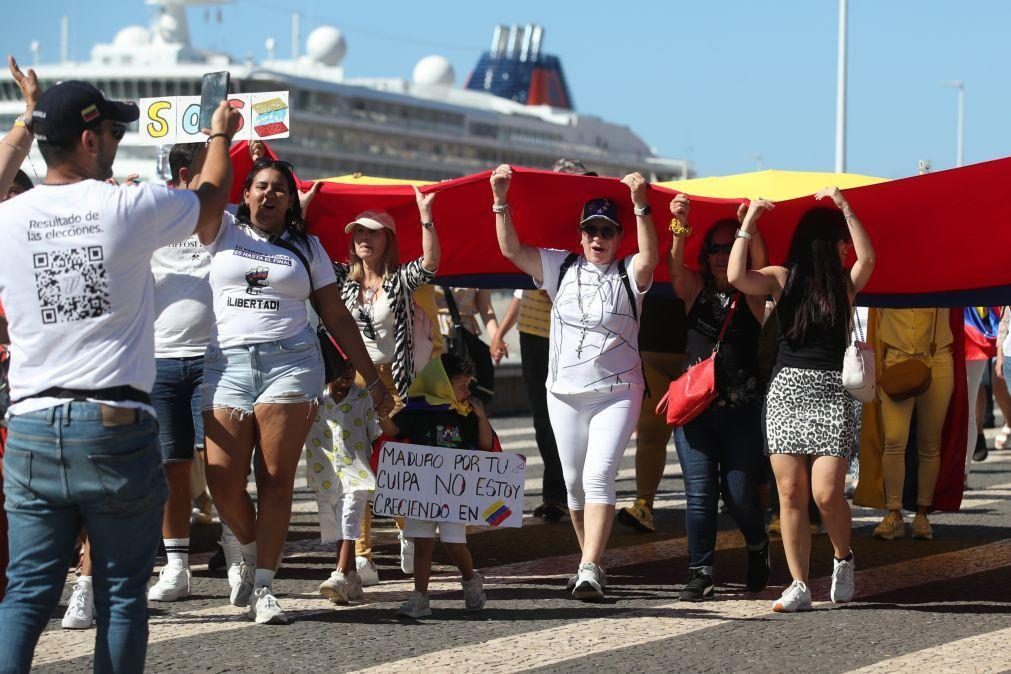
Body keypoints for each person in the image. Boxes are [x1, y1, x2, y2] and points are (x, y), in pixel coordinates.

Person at [0, 69, 240, 673]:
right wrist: (218, 135)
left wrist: (30, 119)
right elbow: (210, 207)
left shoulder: (9, 219)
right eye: (110, 129)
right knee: (120, 595)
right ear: (87, 141)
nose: (114, 139)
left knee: (26, 594)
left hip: (28, 424)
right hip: (111, 423)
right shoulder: (127, 206)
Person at [199, 157, 393, 626]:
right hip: (225, 363)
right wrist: (220, 140)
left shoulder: (309, 247)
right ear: (245, 194)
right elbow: (206, 187)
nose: (269, 195)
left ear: (292, 200)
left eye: (280, 190)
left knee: (274, 478)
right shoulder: (220, 229)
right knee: (221, 478)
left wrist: (372, 377)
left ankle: (265, 584)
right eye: (260, 187)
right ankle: (244, 546)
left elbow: (336, 315)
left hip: (291, 364)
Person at [491, 164, 659, 601]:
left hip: (618, 393)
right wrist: (501, 198)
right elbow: (510, 249)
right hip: (563, 392)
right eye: (591, 231)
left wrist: (642, 206)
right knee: (573, 483)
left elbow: (652, 257)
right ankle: (592, 561)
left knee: (600, 474)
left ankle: (587, 566)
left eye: (607, 230)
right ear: (580, 236)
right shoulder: (559, 265)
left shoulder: (630, 273)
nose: (598, 238)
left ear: (620, 236)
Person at [728, 188, 875, 613]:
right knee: (790, 492)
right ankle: (797, 583)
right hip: (787, 391)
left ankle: (843, 557)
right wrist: (747, 224)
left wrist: (847, 208)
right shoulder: (782, 277)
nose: (847, 247)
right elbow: (738, 276)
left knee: (827, 493)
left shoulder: (845, 286)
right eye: (840, 240)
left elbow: (869, 259)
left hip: (833, 393)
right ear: (825, 244)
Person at [333, 191, 440, 584]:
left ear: (388, 240)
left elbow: (429, 265)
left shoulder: (399, 280)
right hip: (355, 380)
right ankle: (362, 556)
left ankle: (406, 529)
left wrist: (425, 216)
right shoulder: (344, 281)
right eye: (358, 232)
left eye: (373, 233)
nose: (364, 238)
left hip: (397, 382)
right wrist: (305, 208)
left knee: (393, 464)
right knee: (356, 470)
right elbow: (304, 257)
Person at [668, 199, 771, 601]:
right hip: (695, 411)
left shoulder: (753, 293)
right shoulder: (694, 289)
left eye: (729, 248)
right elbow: (674, 268)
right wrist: (679, 225)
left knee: (741, 495)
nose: (721, 256)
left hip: (742, 412)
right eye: (715, 248)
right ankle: (700, 571)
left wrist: (752, 223)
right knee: (699, 492)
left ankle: (758, 545)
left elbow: (760, 263)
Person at [490, 158, 596, 522]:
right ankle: (555, 492)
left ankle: (581, 488)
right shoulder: (537, 224)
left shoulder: (595, 229)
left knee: (582, 415)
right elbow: (520, 284)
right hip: (536, 333)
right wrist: (499, 334)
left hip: (582, 335)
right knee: (543, 416)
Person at [143, 142, 217, 602]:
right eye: (214, 176)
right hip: (161, 360)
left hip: (216, 359)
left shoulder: (225, 221)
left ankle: (238, 557)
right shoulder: (148, 223)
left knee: (225, 467)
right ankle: (176, 568)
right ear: (187, 175)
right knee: (172, 467)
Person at [379, 354, 493, 618]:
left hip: (454, 492)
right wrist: (383, 417)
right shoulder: (416, 411)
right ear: (441, 384)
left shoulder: (465, 414)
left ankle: (469, 579)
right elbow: (394, 433)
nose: (467, 391)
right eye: (461, 385)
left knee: (454, 543)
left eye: (468, 385)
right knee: (422, 544)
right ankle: (420, 597)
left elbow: (486, 447)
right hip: (422, 491)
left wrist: (482, 417)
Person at [870, 308, 954, 539]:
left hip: (938, 358)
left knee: (930, 443)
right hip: (896, 358)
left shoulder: (943, 274)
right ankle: (894, 512)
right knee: (894, 440)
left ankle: (922, 513)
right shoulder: (885, 275)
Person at [305, 350, 380, 605]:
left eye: (352, 366)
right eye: (341, 366)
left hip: (356, 471)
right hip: (325, 472)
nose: (348, 372)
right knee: (337, 524)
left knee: (349, 519)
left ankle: (338, 574)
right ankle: (352, 577)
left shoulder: (363, 398)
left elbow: (375, 433)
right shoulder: (315, 399)